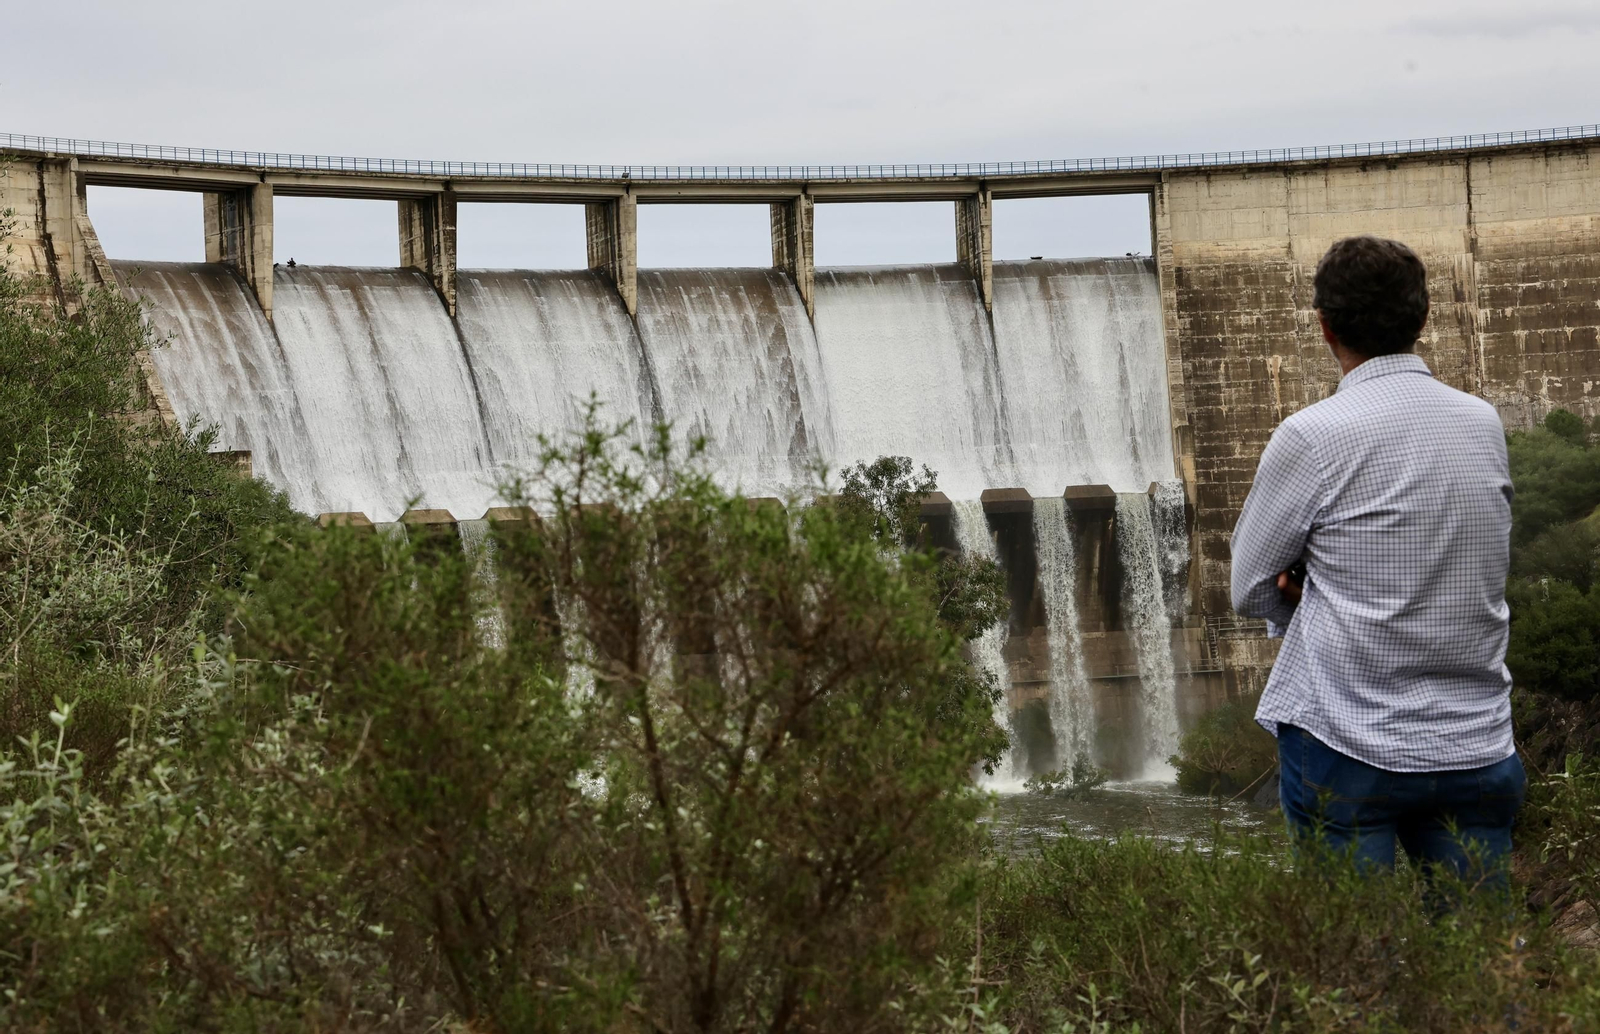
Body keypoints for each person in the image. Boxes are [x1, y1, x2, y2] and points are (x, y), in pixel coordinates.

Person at [1230, 235, 1524, 892]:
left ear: (1325, 327)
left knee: (1352, 965)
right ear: (1423, 319)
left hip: (1349, 744)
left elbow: (1249, 587)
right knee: (1475, 961)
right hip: (1476, 745)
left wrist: (1305, 594)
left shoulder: (1314, 435)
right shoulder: (1481, 422)